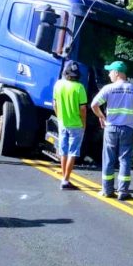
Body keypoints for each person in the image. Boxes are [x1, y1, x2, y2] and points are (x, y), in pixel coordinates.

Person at [91, 61, 133, 201]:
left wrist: (102, 117)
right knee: (125, 160)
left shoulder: (108, 89)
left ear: (117, 73)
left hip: (111, 129)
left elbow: (94, 105)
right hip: (128, 129)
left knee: (108, 158)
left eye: (110, 71)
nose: (109, 74)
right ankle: (123, 191)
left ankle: (107, 190)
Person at [52, 61, 87, 190]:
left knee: (63, 151)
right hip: (76, 124)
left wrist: (60, 117)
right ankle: (66, 180)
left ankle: (64, 178)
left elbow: (54, 104)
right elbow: (83, 109)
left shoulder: (58, 85)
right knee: (73, 152)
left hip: (62, 123)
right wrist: (83, 125)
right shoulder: (79, 88)